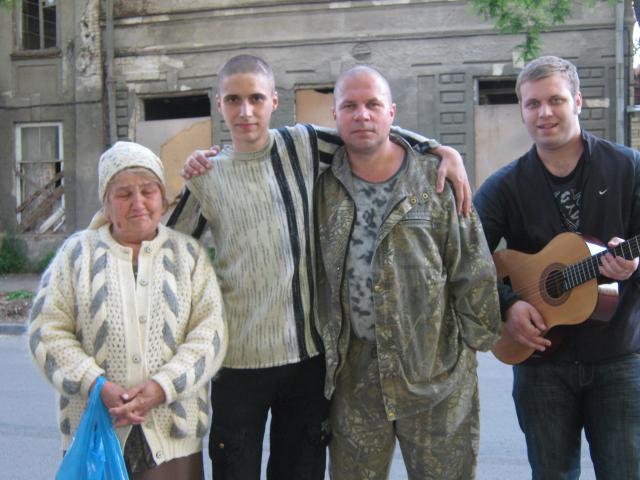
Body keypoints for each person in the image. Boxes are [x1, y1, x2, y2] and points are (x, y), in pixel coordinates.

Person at [169, 54, 472, 480]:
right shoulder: (206, 176)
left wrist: (438, 149)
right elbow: (171, 253)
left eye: (256, 98)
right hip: (237, 363)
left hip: (309, 361)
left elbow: (367, 133)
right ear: (219, 104)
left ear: (274, 101)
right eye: (233, 100)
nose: (245, 110)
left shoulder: (304, 145)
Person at [314, 65, 501, 479]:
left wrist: (474, 344)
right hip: (354, 380)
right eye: (350, 106)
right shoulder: (322, 186)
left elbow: (471, 264)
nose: (362, 115)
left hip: (435, 373)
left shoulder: (435, 179)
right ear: (335, 115)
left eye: (373, 104)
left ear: (392, 112)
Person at [474, 55, 640, 479]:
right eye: (532, 104)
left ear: (577, 101)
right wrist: (507, 304)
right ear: (522, 110)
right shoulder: (505, 186)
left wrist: (633, 264)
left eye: (555, 100)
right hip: (540, 363)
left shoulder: (627, 168)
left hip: (618, 359)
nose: (544, 113)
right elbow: (464, 258)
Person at [28, 141, 228, 479]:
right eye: (123, 194)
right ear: (106, 203)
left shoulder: (188, 256)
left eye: (148, 191)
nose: (138, 203)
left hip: (173, 437)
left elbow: (210, 334)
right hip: (95, 433)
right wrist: (96, 385)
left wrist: (161, 387)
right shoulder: (76, 255)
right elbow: (46, 332)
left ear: (163, 199)